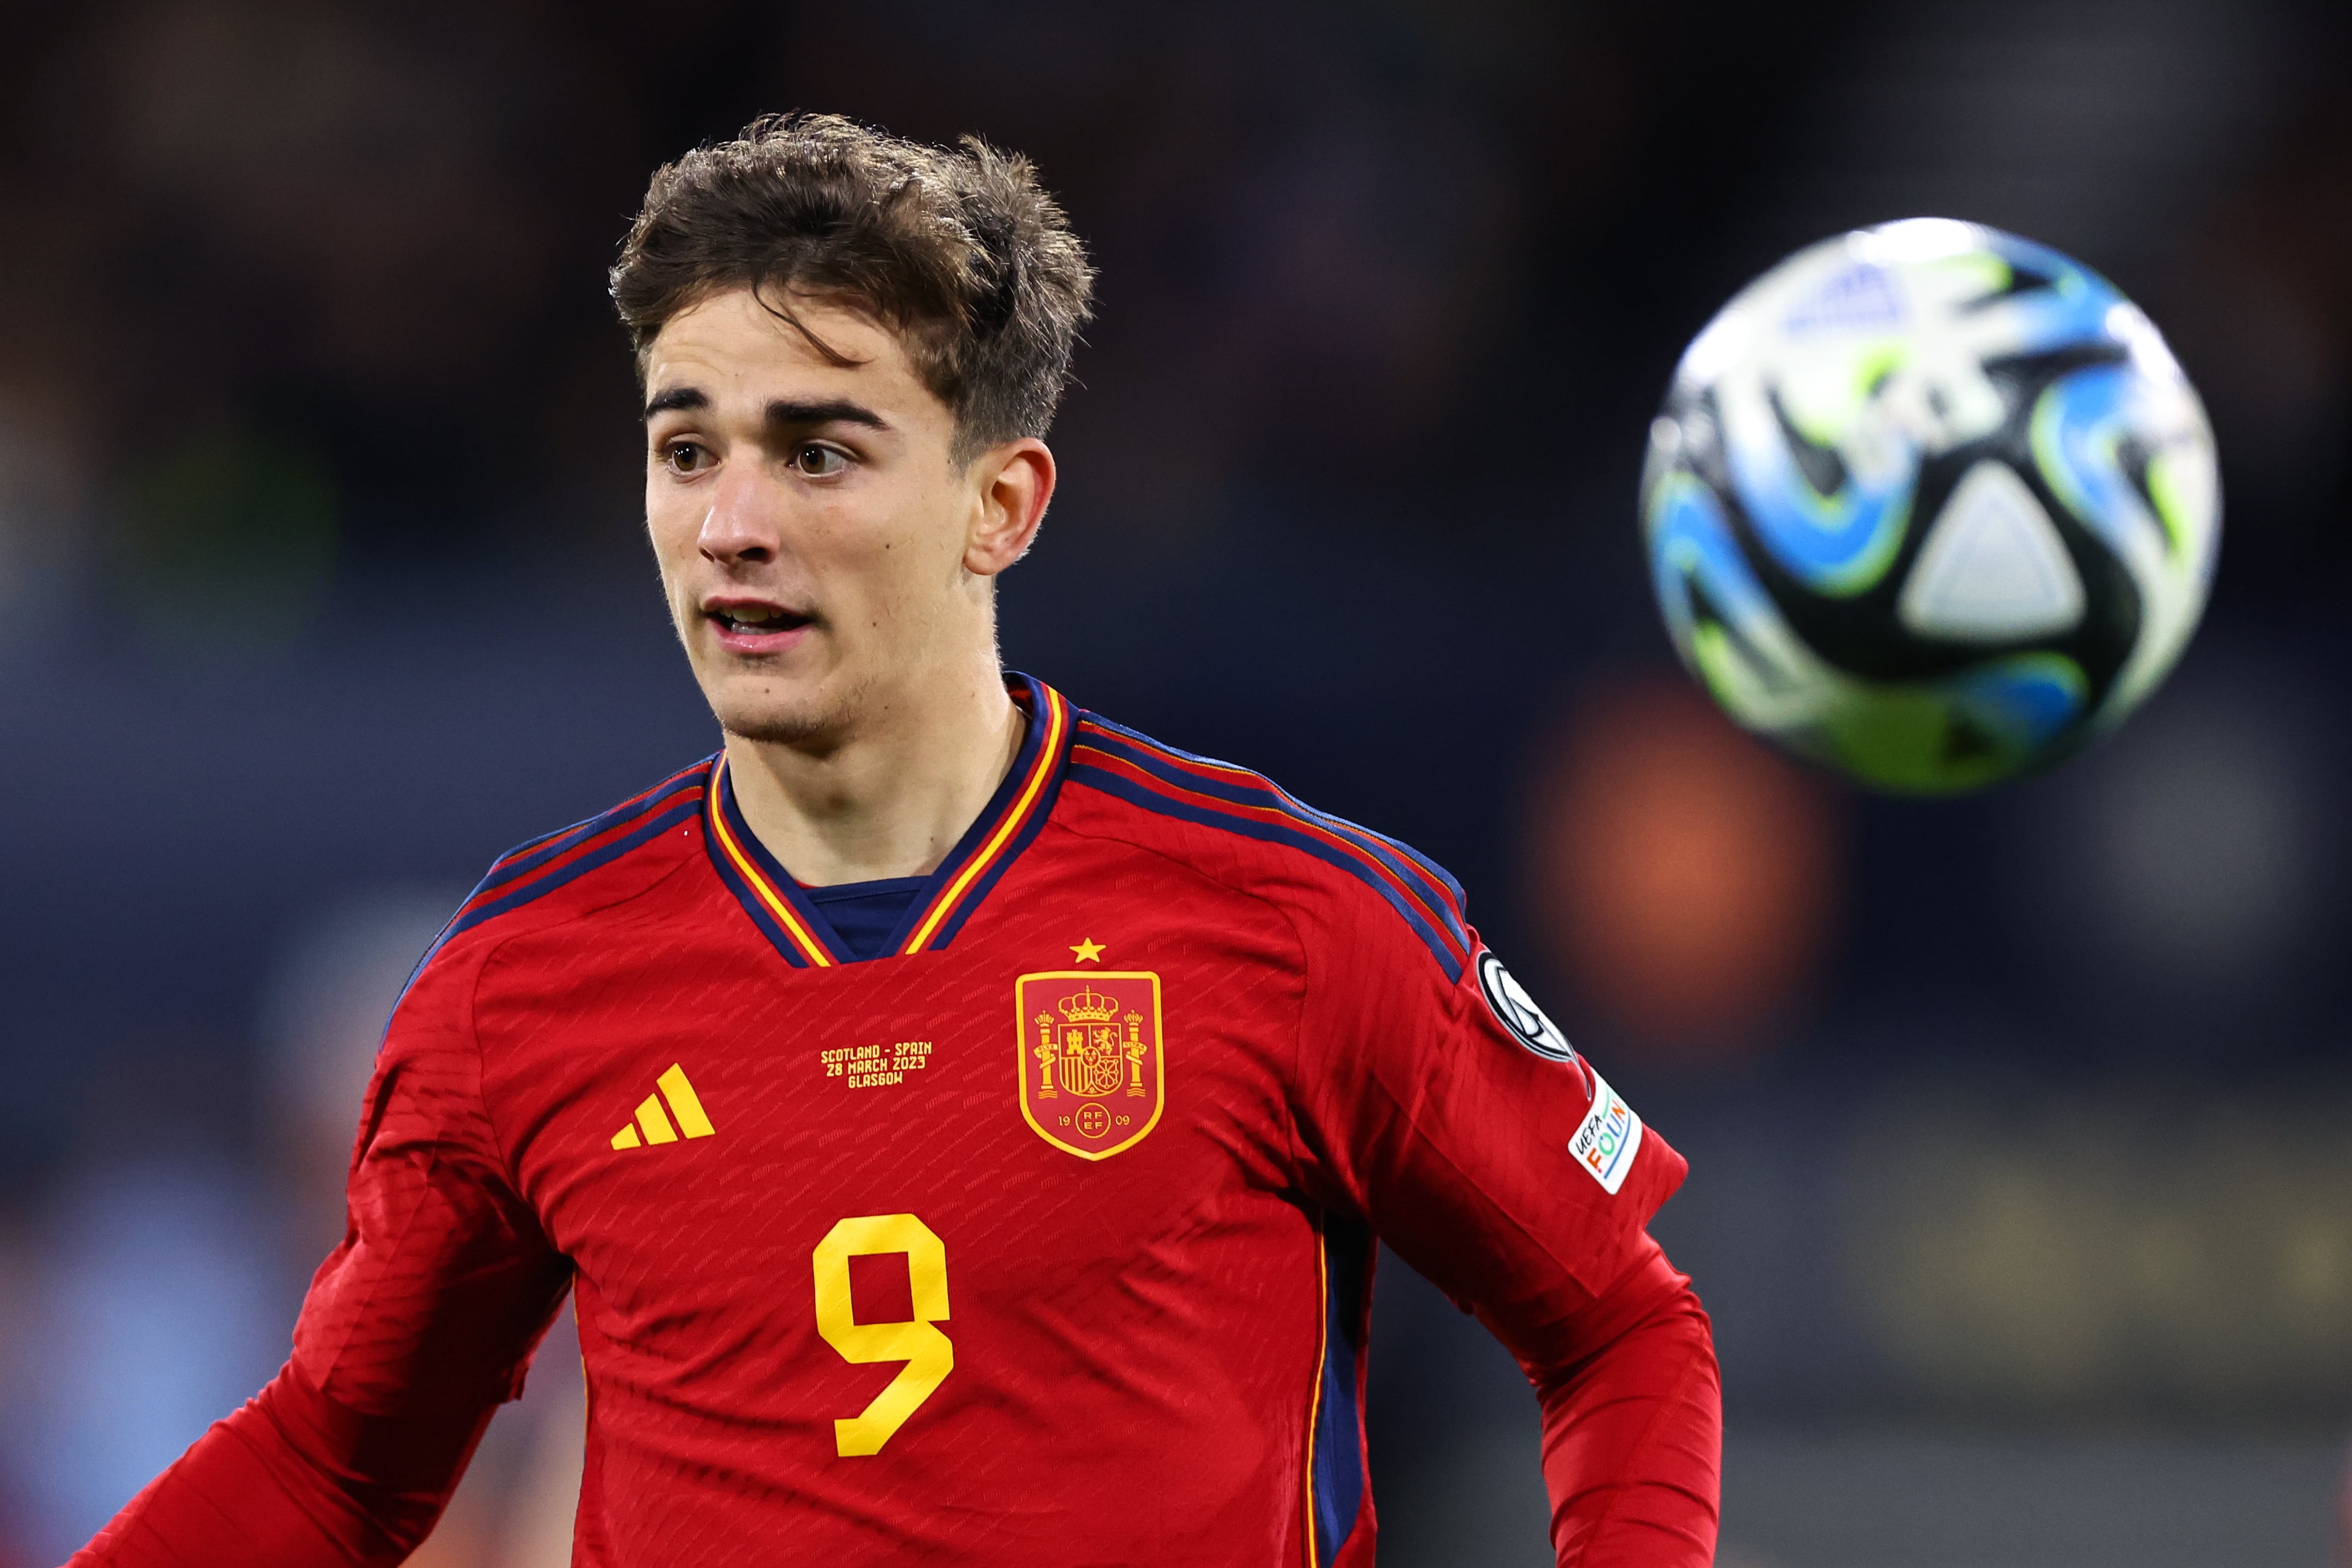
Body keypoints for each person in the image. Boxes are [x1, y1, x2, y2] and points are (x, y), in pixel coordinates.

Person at [73, 114, 1719, 1567]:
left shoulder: (1290, 920)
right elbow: (333, 1459)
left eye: (818, 450)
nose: (733, 523)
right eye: (685, 446)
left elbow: (1619, 1327)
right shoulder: (521, 983)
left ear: (999, 503)